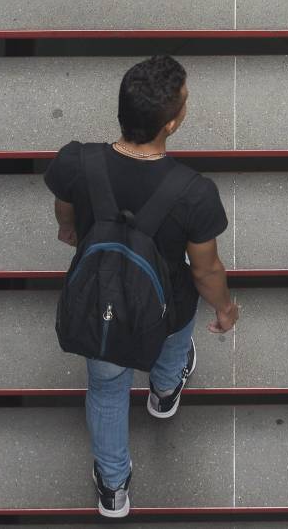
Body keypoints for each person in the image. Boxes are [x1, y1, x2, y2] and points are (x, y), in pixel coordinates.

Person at [44, 55, 238, 518]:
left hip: (101, 302)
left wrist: (69, 231)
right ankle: (164, 394)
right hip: (167, 305)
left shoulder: (76, 161)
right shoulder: (194, 192)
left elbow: (64, 208)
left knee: (107, 390)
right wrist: (225, 309)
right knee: (173, 347)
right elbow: (206, 270)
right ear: (170, 123)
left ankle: (113, 487)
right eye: (185, 101)